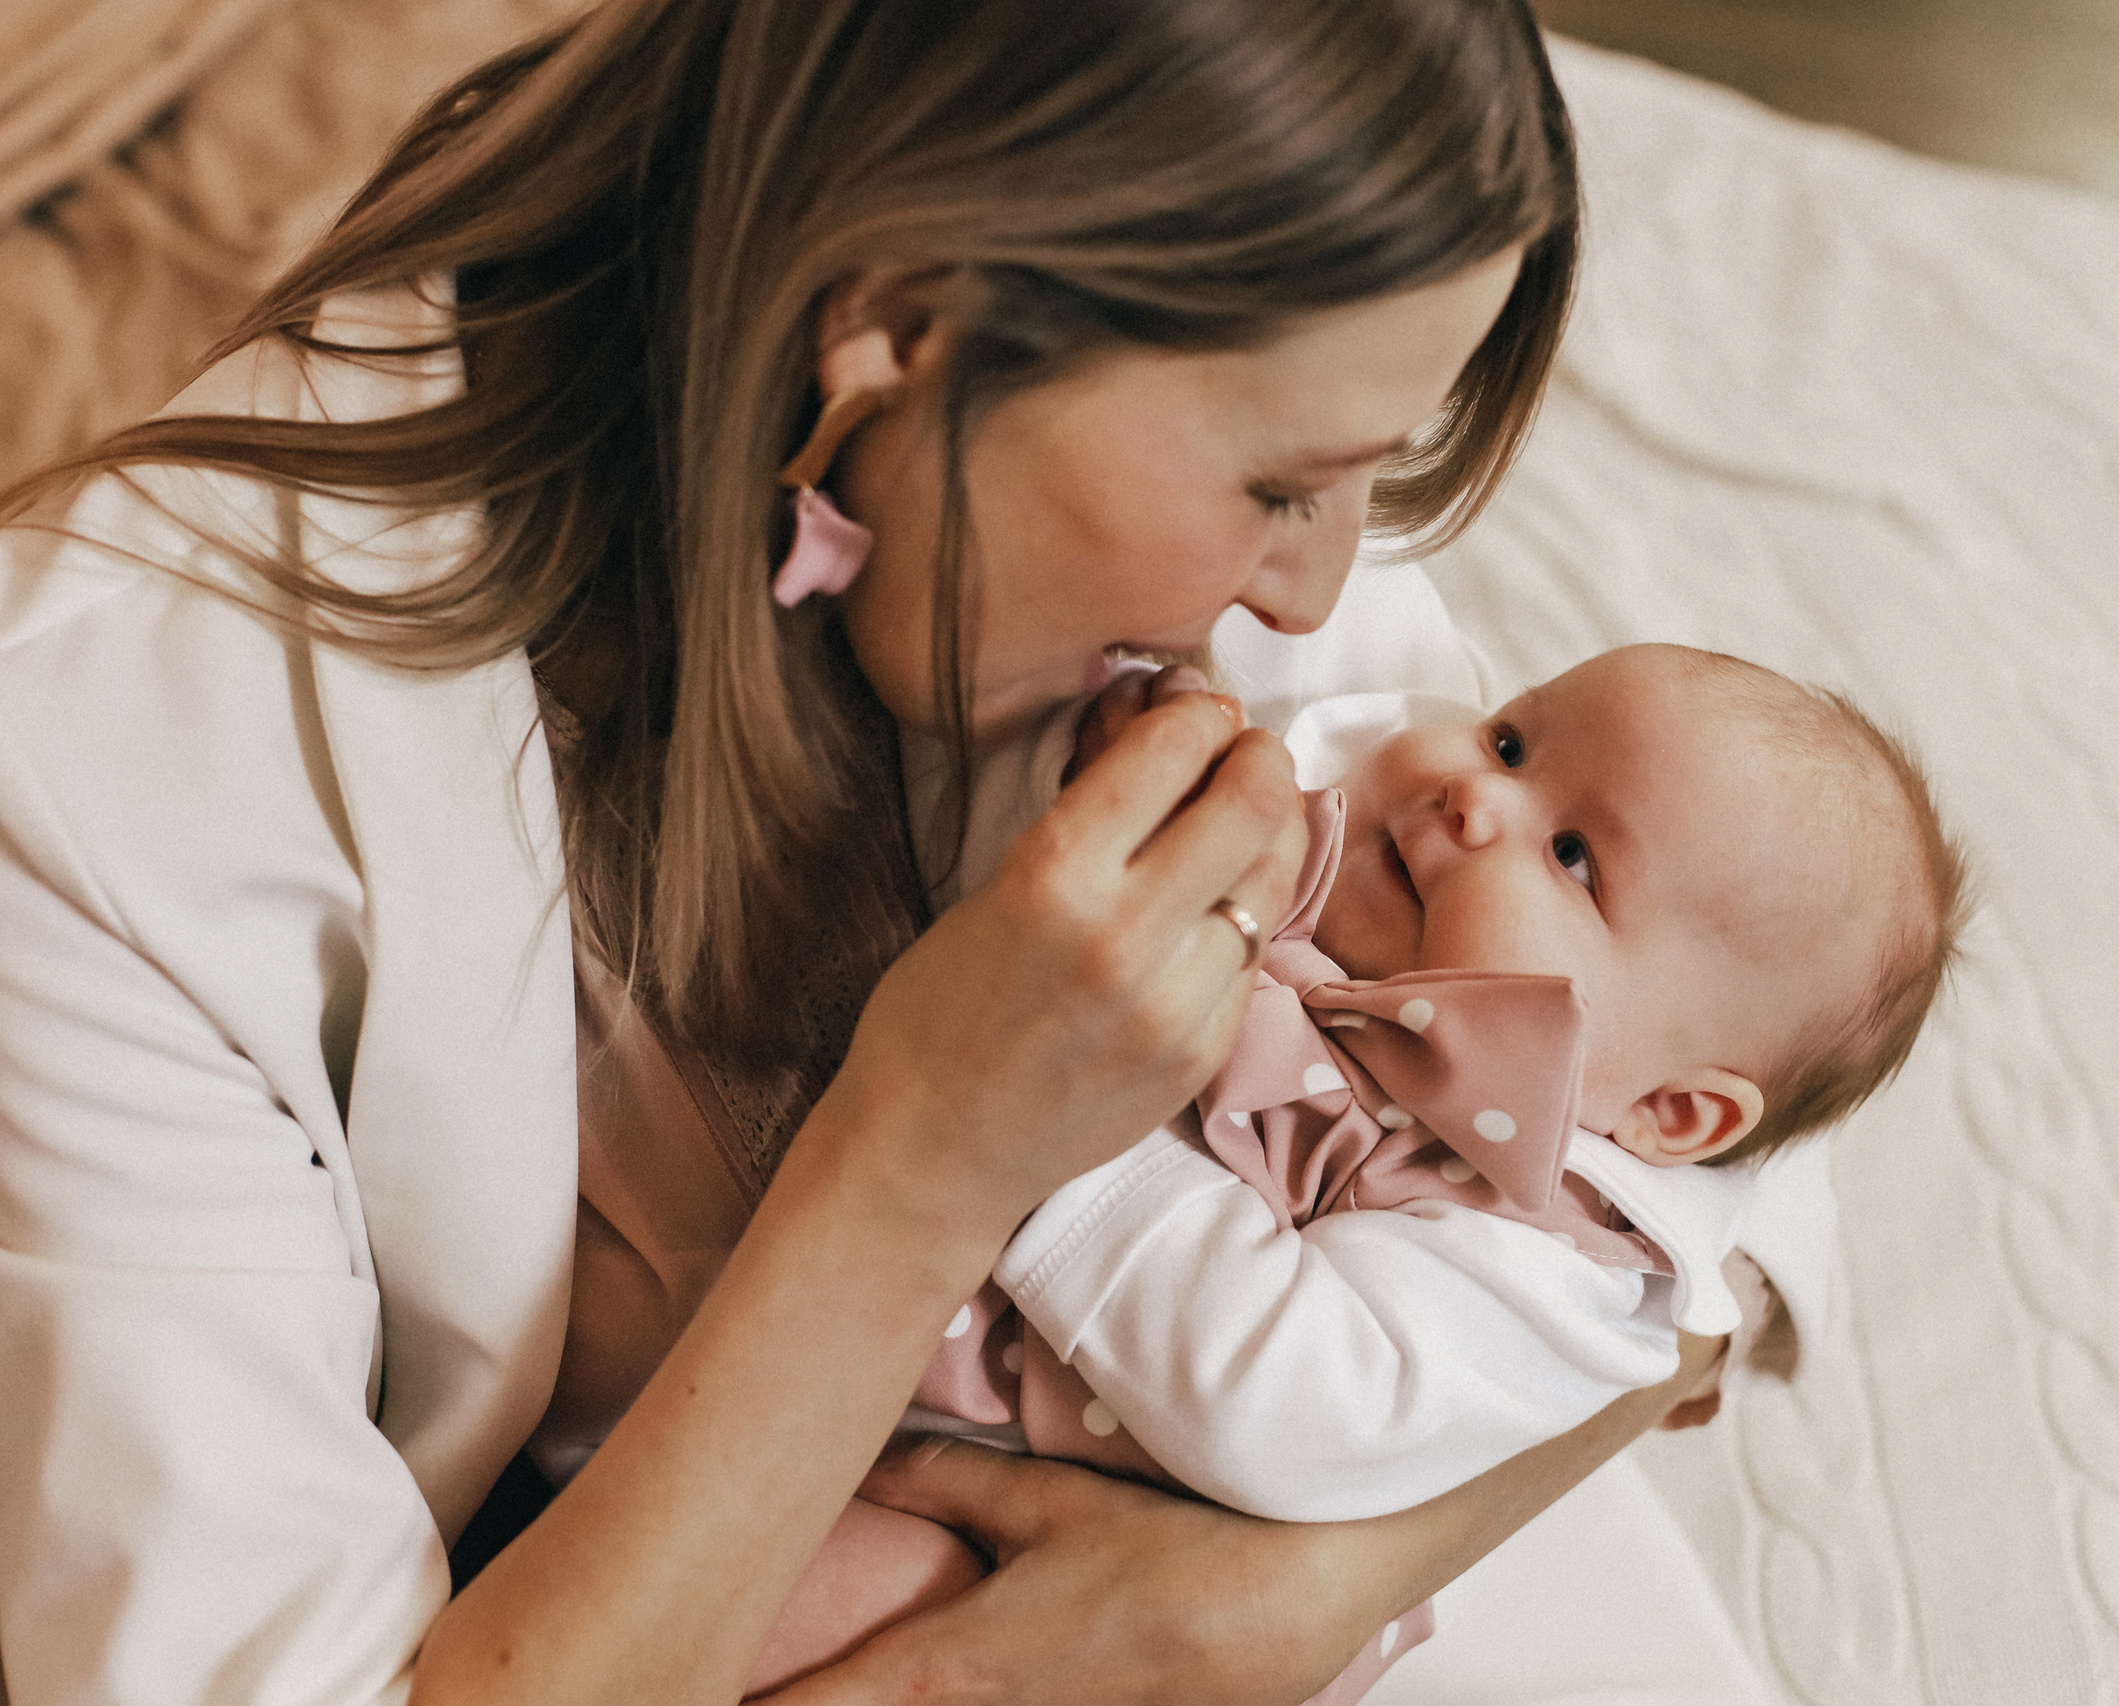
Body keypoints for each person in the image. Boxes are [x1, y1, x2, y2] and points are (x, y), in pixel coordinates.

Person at [0, 3, 1745, 1703]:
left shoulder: (1170, 563)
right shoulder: (91, 787)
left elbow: (1726, 1125)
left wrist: (1299, 1592)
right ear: (894, 326)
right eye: (1285, 487)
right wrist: (923, 1161)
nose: (1313, 590)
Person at [724, 644, 1968, 1695]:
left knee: (780, 1608)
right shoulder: (1321, 856)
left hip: (1030, 1536)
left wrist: (1051, 1133)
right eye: (1512, 741)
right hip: (865, 1336)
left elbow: (1285, 1394)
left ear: (1670, 1110)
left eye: (1575, 857)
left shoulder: (1547, 1251)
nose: (1475, 799)